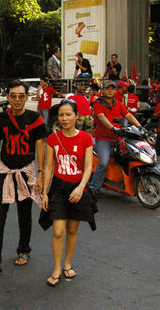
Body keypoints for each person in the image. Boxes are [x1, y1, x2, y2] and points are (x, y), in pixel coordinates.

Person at [0, 80, 46, 274]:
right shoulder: (1, 119)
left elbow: (40, 148)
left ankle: (24, 250)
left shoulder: (35, 118)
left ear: (26, 97)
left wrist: (40, 175)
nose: (17, 100)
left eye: (21, 96)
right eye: (13, 96)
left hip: (26, 171)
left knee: (24, 216)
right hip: (4, 171)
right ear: (8, 97)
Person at [35, 99, 96, 287]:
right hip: (58, 189)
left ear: (77, 116)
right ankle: (56, 267)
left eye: (69, 114)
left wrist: (80, 187)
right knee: (58, 230)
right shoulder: (53, 139)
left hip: (78, 188)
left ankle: (68, 263)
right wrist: (44, 193)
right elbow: (49, 166)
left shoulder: (86, 138)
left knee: (72, 228)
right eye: (61, 115)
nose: (65, 118)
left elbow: (88, 166)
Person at [89, 80, 143, 192]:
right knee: (103, 163)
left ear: (115, 90)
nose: (110, 91)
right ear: (102, 90)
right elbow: (101, 117)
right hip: (103, 139)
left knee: (131, 156)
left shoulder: (117, 103)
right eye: (107, 89)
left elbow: (128, 115)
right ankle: (93, 188)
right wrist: (112, 128)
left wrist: (140, 127)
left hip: (117, 138)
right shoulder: (98, 103)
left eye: (112, 89)